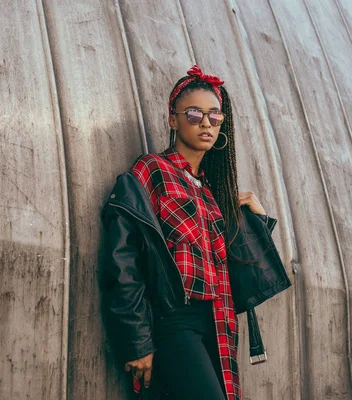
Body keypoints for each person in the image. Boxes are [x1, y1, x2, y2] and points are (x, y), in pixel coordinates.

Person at [98, 65, 281, 400]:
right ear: (173, 120)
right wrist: (137, 340)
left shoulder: (214, 192)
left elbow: (241, 275)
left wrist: (259, 221)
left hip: (219, 322)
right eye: (195, 114)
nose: (206, 123)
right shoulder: (152, 170)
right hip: (175, 319)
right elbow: (124, 259)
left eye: (215, 115)